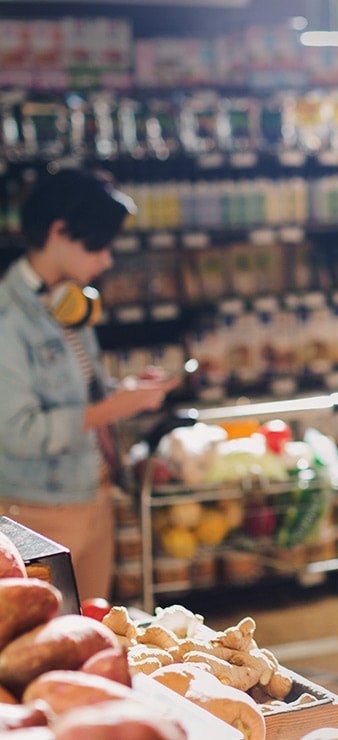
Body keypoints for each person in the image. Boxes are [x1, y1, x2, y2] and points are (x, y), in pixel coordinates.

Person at [0, 168, 178, 601]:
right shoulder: (9, 315)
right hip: (40, 510)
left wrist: (122, 392)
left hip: (94, 494)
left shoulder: (68, 297)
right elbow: (18, 431)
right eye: (98, 245)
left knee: (95, 625)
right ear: (59, 231)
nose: (106, 260)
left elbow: (76, 391)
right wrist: (116, 407)